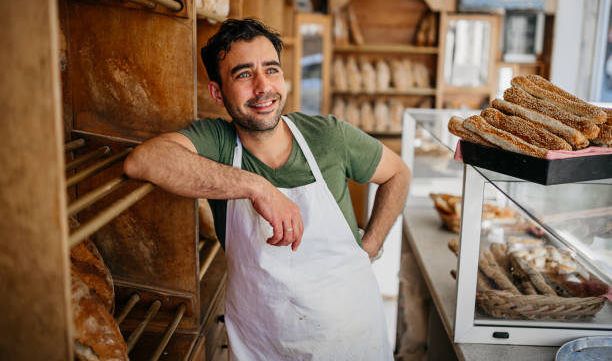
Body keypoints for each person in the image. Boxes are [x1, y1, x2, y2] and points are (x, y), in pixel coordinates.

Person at [124, 18, 411, 360]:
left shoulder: (329, 136)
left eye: (271, 70)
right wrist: (256, 186)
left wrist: (372, 244)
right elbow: (143, 161)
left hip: (351, 339)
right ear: (218, 92)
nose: (263, 88)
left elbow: (398, 173)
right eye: (244, 74)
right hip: (262, 346)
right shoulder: (217, 143)